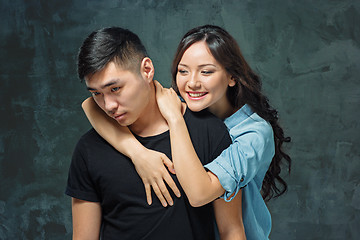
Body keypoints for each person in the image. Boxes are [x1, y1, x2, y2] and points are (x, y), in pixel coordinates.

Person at [82, 25, 291, 239]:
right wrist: (139, 154)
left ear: (232, 76)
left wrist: (174, 119)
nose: (192, 83)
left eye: (206, 71)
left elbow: (200, 194)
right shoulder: (188, 106)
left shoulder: (253, 133)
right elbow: (89, 106)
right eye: (183, 71)